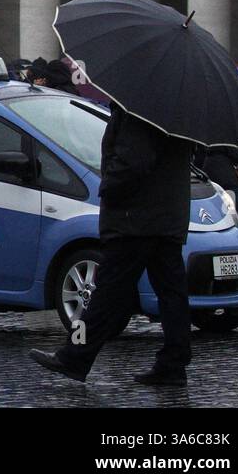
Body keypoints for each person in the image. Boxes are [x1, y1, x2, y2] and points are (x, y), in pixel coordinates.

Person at [31, 103, 193, 386]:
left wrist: (107, 187)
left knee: (107, 292)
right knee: (172, 294)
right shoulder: (176, 108)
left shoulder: (138, 110)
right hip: (166, 217)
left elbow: (134, 161)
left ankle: (75, 356)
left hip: (135, 219)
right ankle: (174, 362)